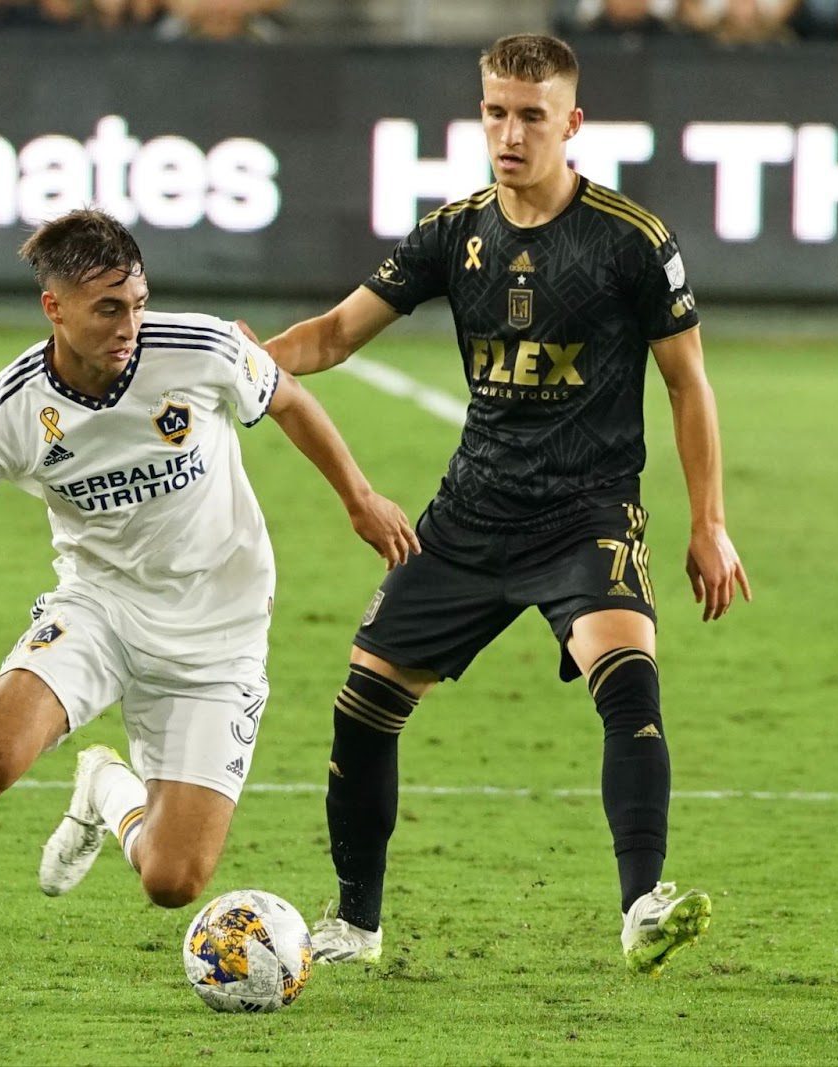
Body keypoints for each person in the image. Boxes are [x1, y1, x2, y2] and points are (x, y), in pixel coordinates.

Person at [0, 208, 417, 1003]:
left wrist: (358, 497)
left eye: (138, 302)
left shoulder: (200, 348)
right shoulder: (4, 412)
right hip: (99, 611)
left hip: (222, 634)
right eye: (109, 308)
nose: (130, 324)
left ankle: (104, 788)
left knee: (173, 880)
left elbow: (288, 401)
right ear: (56, 308)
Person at [261, 33, 751, 977]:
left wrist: (709, 521)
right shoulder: (454, 233)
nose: (511, 132)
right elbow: (331, 336)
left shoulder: (631, 240)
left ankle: (643, 903)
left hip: (587, 512)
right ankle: (355, 924)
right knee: (364, 706)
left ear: (573, 122)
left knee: (628, 682)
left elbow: (689, 384)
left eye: (532, 115)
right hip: (470, 517)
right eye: (496, 112)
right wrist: (242, 354)